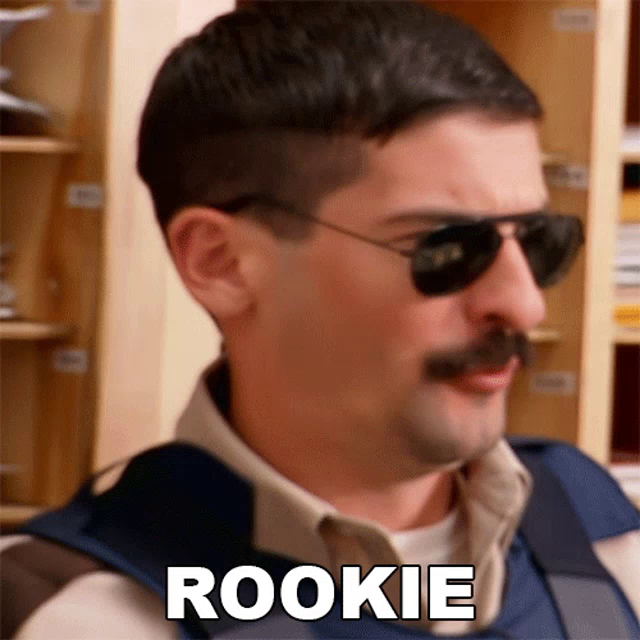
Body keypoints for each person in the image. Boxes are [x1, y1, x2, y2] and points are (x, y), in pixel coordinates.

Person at [2, 2, 639, 638]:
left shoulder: (608, 538)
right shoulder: (89, 614)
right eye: (445, 250)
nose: (525, 305)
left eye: (537, 241)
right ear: (221, 263)